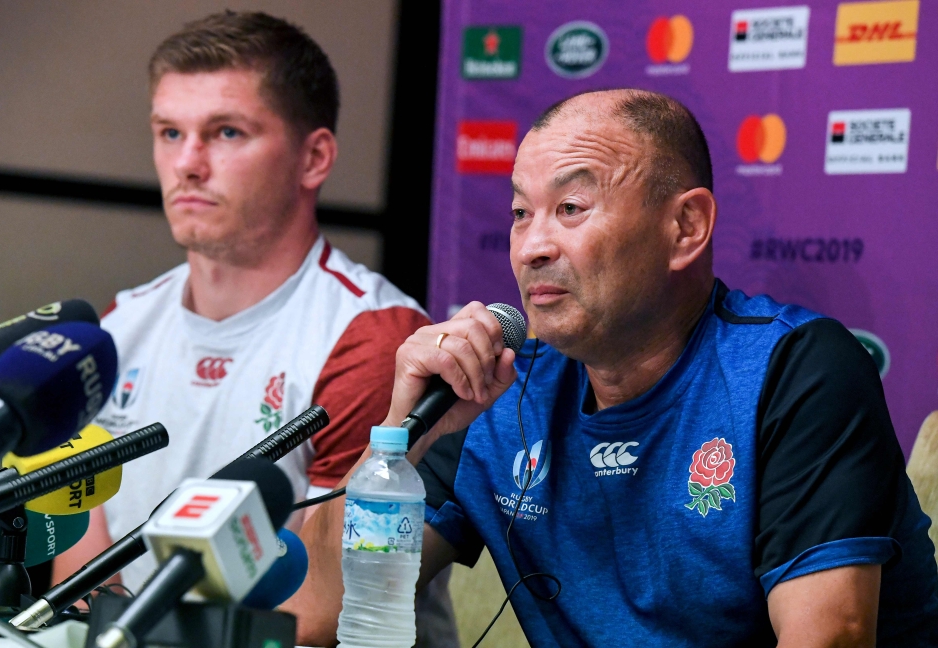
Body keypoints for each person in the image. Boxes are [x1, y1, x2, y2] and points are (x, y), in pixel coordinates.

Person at [288, 89, 938, 646]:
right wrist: (404, 435)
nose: (533, 246)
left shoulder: (792, 370)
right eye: (520, 213)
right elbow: (320, 611)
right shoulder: (497, 393)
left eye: (571, 208)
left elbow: (829, 638)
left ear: (686, 226)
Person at [53, 11, 458, 646]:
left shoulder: (376, 337)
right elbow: (83, 575)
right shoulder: (116, 326)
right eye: (169, 132)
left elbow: (321, 609)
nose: (187, 163)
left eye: (226, 132)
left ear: (314, 157)